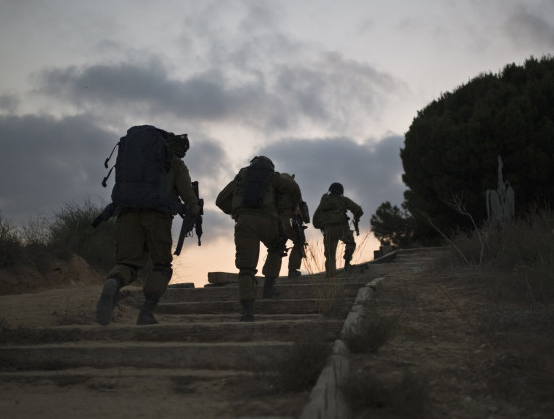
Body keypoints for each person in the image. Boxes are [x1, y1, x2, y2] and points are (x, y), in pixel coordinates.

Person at [95, 132, 200, 326]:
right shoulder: (175, 163)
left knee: (127, 263)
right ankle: (146, 313)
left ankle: (114, 282)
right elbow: (187, 193)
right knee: (161, 266)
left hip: (127, 214)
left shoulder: (135, 159)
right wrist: (195, 208)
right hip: (157, 218)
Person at [216, 156, 301, 321]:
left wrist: (237, 211)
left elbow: (220, 201)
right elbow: (293, 188)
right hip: (268, 220)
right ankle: (269, 288)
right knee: (277, 246)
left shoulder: (241, 176)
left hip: (245, 222)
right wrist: (294, 206)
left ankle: (247, 310)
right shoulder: (272, 176)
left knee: (246, 268)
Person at [312, 182, 363, 277]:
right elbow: (358, 210)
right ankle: (347, 264)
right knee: (350, 243)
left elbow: (315, 221)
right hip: (342, 228)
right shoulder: (343, 200)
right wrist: (356, 218)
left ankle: (330, 275)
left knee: (330, 254)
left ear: (330, 190)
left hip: (329, 231)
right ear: (341, 191)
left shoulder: (324, 202)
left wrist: (324, 227)